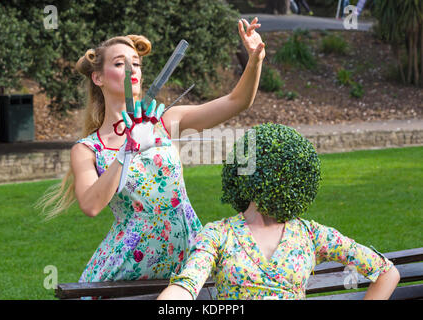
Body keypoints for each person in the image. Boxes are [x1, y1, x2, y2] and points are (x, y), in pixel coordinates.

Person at [36, 17, 266, 284]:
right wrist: (127, 150)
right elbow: (90, 205)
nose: (132, 69)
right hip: (128, 269)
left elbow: (237, 102)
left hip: (187, 257)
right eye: (120, 63)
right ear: (97, 77)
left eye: (136, 63)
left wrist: (254, 59)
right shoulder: (88, 149)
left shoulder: (166, 122)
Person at [158, 123, 400, 300]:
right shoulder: (219, 234)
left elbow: (386, 272)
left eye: (288, 174)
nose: (280, 180)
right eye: (271, 171)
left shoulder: (311, 234)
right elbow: (187, 284)